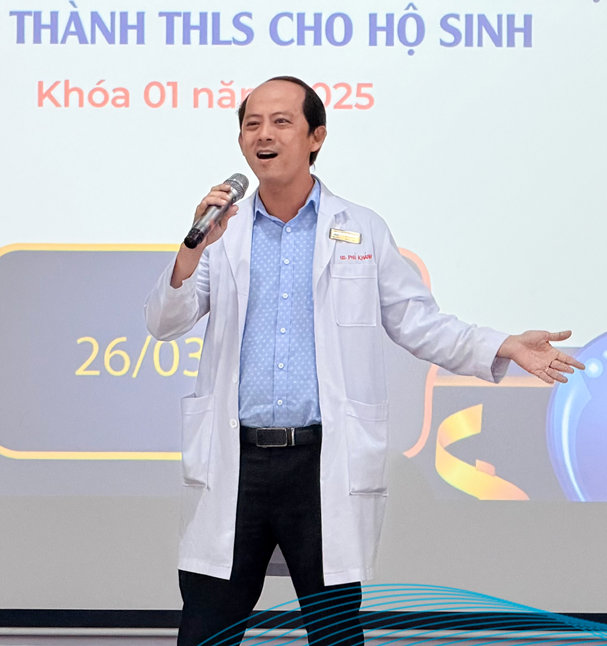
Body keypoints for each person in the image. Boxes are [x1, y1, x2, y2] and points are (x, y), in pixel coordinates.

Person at [144, 76, 581, 646]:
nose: (264, 135)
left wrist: (504, 345)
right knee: (206, 630)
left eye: (281, 122)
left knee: (335, 634)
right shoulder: (220, 235)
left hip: (320, 462)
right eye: (252, 124)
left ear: (316, 137)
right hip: (236, 459)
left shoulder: (361, 229)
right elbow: (164, 321)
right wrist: (192, 247)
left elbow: (419, 322)